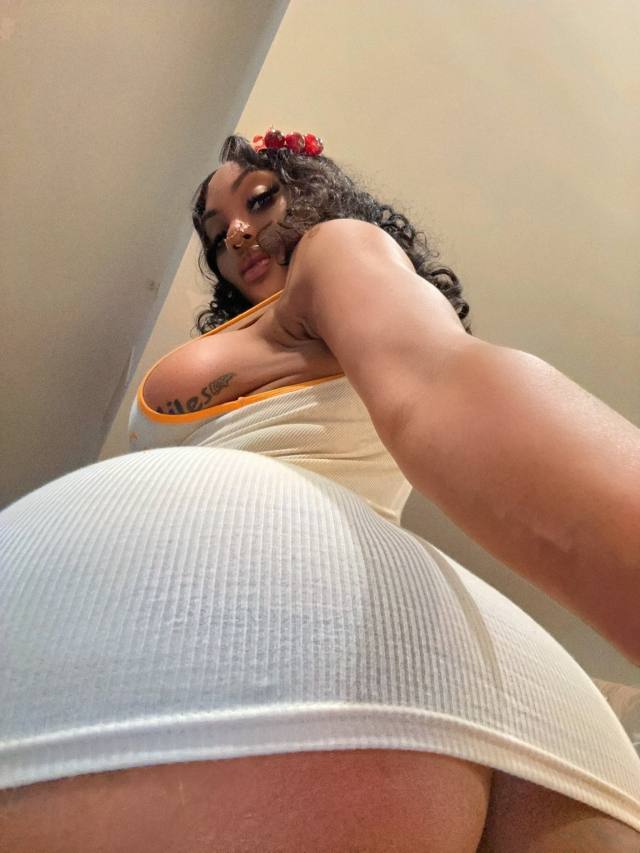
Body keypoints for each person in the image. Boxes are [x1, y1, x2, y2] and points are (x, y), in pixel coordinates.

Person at [1, 128, 638, 852]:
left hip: (308, 648)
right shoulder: (287, 321)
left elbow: (440, 383)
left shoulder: (336, 251)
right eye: (215, 232)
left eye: (259, 199)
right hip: (490, 688)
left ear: (313, 195)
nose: (237, 232)